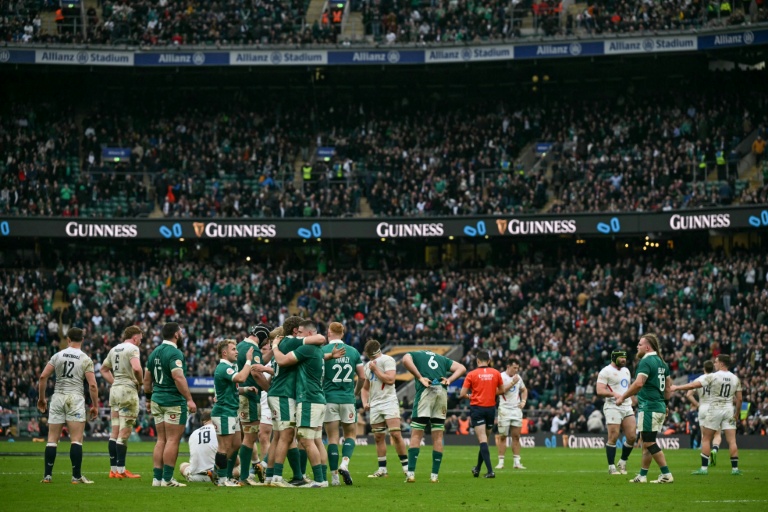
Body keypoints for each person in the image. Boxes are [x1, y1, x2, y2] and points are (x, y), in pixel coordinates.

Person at [273, 320, 344, 488]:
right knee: (314, 439)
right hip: (318, 400)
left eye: (301, 333)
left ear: (309, 334)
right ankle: (322, 479)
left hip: (308, 400)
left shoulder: (306, 348)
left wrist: (275, 346)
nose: (298, 336)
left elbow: (282, 361)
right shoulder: (317, 350)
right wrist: (330, 356)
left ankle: (319, 480)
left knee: (306, 440)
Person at [266, 316, 324, 487]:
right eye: (298, 331)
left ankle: (272, 476)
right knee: (287, 436)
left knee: (280, 437)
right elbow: (320, 338)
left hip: (280, 393)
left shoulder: (288, 345)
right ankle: (277, 477)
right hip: (285, 395)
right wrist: (275, 346)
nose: (299, 335)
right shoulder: (293, 342)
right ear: (294, 331)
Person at [38, 327, 98, 484]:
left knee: (52, 439)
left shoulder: (57, 355)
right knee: (76, 440)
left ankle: (47, 476)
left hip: (58, 397)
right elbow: (92, 385)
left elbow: (43, 376)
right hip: (75, 398)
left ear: (68, 339)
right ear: (82, 340)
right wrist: (95, 405)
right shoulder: (85, 359)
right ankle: (76, 476)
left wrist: (42, 398)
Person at [144, 322, 197, 487]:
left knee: (161, 440)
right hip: (173, 401)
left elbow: (147, 379)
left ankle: (156, 479)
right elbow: (178, 377)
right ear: (176, 334)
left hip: (157, 400)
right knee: (173, 440)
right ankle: (167, 479)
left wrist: (147, 399)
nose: (181, 335)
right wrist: (189, 399)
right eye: (180, 332)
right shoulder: (175, 353)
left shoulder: (154, 352)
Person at [671, 354, 743, 476]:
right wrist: (737, 414)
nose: (714, 364)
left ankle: (704, 468)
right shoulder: (735, 378)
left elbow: (693, 385)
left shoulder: (713, 376)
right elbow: (740, 399)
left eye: (716, 362)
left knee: (706, 438)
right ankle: (735, 469)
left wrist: (677, 387)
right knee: (732, 440)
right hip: (729, 409)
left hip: (714, 408)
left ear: (721, 364)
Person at [402, 349, 466, 483]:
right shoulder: (442, 358)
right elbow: (462, 368)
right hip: (441, 392)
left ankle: (411, 474)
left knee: (416, 434)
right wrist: (449, 379)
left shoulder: (416, 354)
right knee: (438, 435)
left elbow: (405, 360)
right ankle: (434, 476)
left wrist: (419, 377)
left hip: (426, 391)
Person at [617, 334, 674, 484]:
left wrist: (623, 397)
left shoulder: (646, 361)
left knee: (649, 442)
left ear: (647, 347)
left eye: (640, 344)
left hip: (649, 407)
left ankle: (666, 473)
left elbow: (639, 384)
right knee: (647, 442)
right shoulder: (663, 363)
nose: (637, 346)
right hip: (658, 406)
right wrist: (666, 405)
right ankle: (642, 475)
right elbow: (668, 388)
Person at [322, 322, 365, 486]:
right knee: (350, 435)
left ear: (330, 332)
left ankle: (334, 478)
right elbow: (362, 377)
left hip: (329, 398)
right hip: (347, 398)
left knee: (332, 438)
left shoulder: (324, 351)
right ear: (342, 333)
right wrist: (355, 392)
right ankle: (344, 464)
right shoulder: (353, 351)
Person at [100, 325, 144, 479]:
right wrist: (141, 382)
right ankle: (121, 470)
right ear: (135, 337)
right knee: (124, 432)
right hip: (127, 391)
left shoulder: (114, 349)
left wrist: (114, 382)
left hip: (115, 390)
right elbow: (137, 368)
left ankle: (113, 470)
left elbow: (103, 369)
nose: (140, 342)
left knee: (114, 431)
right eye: (140, 339)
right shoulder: (132, 348)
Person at [361, 339, 409, 479]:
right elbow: (365, 388)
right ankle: (382, 469)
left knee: (395, 434)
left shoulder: (387, 360)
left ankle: (406, 469)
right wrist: (365, 402)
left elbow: (390, 380)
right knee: (378, 436)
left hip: (389, 401)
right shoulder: (367, 366)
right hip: (375, 404)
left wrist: (375, 370)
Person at [212, 339, 256, 486]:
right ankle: (222, 479)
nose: (237, 352)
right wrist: (249, 361)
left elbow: (233, 388)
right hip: (223, 411)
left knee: (236, 444)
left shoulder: (230, 366)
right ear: (224, 353)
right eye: (233, 349)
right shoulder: (224, 367)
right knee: (224, 447)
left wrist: (245, 389)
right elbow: (241, 377)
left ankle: (216, 470)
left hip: (232, 410)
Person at [236, 324, 272, 485]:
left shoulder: (240, 346)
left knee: (243, 437)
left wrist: (273, 351)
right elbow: (256, 373)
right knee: (249, 439)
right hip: (250, 398)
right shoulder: (254, 349)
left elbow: (258, 362)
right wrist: (269, 389)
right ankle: (244, 477)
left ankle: (232, 474)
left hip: (241, 396)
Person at [459, 350, 504, 479]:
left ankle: (490, 471)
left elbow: (462, 394)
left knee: (482, 439)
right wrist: (489, 393)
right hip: (490, 409)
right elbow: (501, 390)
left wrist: (472, 396)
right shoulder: (496, 373)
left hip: (477, 409)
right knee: (484, 440)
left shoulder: (472, 374)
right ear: (489, 361)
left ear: (477, 361)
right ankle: (477, 468)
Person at [596, 350, 637, 475]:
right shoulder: (605, 371)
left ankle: (623, 461)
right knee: (613, 436)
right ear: (614, 358)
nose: (624, 360)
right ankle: (611, 466)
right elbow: (599, 390)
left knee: (632, 437)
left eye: (625, 358)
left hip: (627, 405)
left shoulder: (626, 371)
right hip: (612, 406)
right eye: (621, 358)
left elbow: (628, 387)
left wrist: (632, 398)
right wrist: (613, 394)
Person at [495, 357, 528, 470]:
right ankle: (501, 462)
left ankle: (517, 462)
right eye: (514, 368)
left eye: (517, 368)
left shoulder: (518, 378)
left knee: (516, 436)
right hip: (504, 409)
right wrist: (513, 382)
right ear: (508, 366)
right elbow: (498, 391)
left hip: (516, 410)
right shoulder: (500, 376)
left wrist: (523, 401)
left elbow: (524, 390)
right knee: (503, 436)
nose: (516, 370)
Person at [257, 327, 278, 483]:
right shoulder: (260, 360)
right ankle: (263, 467)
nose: (266, 351)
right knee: (261, 435)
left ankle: (268, 468)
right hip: (262, 397)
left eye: (268, 348)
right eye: (263, 349)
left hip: (273, 395)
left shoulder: (276, 357)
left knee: (280, 435)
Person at [180, 410, 219, 483]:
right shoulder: (218, 431)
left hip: (195, 476)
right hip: (216, 474)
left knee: (183, 465)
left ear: (203, 421)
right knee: (237, 467)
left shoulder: (193, 433)